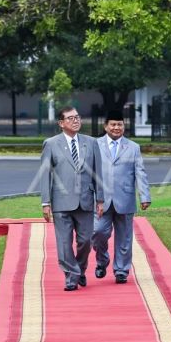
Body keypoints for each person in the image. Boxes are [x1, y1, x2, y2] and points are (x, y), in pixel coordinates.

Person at [40, 106, 104, 291]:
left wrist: (100, 199)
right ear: (61, 123)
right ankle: (71, 276)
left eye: (77, 117)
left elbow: (98, 173)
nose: (75, 121)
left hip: (85, 201)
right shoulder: (51, 144)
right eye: (70, 118)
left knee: (85, 241)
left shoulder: (91, 143)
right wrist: (46, 203)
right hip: (61, 202)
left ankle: (79, 269)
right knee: (64, 242)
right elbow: (45, 175)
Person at [92, 111, 151, 284]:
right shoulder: (95, 145)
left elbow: (140, 173)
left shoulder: (133, 147)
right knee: (97, 233)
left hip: (125, 199)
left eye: (120, 124)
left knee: (124, 238)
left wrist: (144, 195)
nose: (116, 128)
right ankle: (102, 260)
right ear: (106, 126)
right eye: (113, 124)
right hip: (100, 200)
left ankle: (121, 271)